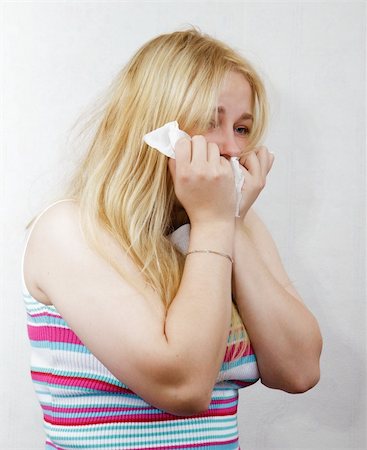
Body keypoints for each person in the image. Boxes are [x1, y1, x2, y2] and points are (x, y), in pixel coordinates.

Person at [22, 28, 322, 450]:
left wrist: (228, 221)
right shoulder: (71, 230)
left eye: (242, 128)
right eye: (210, 122)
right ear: (154, 122)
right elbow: (183, 387)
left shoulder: (230, 223)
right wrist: (216, 223)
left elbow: (300, 370)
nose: (232, 150)